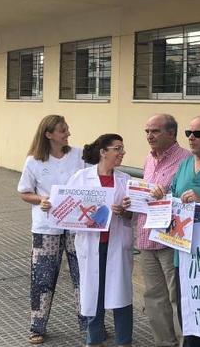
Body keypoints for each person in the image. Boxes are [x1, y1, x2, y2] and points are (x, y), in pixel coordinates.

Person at [152, 115, 200, 347]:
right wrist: (162, 198)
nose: (191, 138)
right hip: (183, 251)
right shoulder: (184, 164)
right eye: (188, 133)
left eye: (198, 134)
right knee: (187, 310)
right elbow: (174, 195)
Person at [18, 115, 86, 345]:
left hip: (77, 225)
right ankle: (37, 327)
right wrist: (41, 200)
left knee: (83, 276)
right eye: (62, 130)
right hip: (46, 227)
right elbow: (24, 192)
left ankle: (88, 325)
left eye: (67, 129)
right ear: (48, 134)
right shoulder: (34, 161)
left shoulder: (78, 155)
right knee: (43, 277)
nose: (68, 133)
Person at [63, 134, 134, 347]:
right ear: (104, 152)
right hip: (91, 245)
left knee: (121, 295)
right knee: (94, 294)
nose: (122, 153)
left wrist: (125, 211)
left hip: (117, 244)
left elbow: (133, 215)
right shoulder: (81, 178)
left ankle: (124, 342)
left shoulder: (125, 180)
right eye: (117, 149)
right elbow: (68, 211)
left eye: (122, 148)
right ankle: (93, 341)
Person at [136, 114, 191, 347]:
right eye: (147, 131)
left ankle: (184, 342)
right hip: (146, 238)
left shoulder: (186, 160)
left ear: (171, 133)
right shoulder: (149, 159)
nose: (150, 136)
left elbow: (188, 201)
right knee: (154, 298)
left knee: (176, 296)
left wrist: (167, 197)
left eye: (155, 131)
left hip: (170, 240)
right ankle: (164, 342)